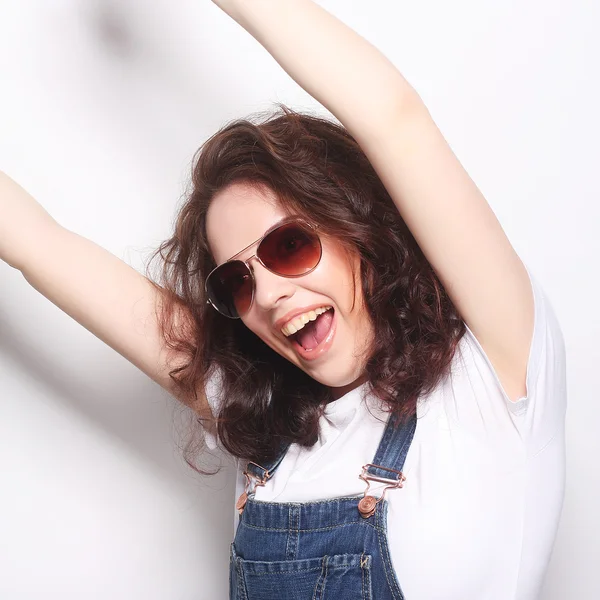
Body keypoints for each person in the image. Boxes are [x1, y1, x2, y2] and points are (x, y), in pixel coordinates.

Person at [0, 1, 567, 599]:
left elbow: (392, 117)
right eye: (236, 283)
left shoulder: (494, 375)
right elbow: (39, 246)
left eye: (289, 245)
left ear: (359, 229)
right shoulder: (261, 421)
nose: (267, 293)